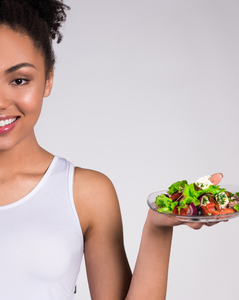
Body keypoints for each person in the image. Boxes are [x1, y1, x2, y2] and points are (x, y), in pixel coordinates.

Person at [0, 0, 223, 299]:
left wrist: (158, 227)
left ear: (48, 79)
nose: (1, 101)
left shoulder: (85, 193)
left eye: (19, 80)